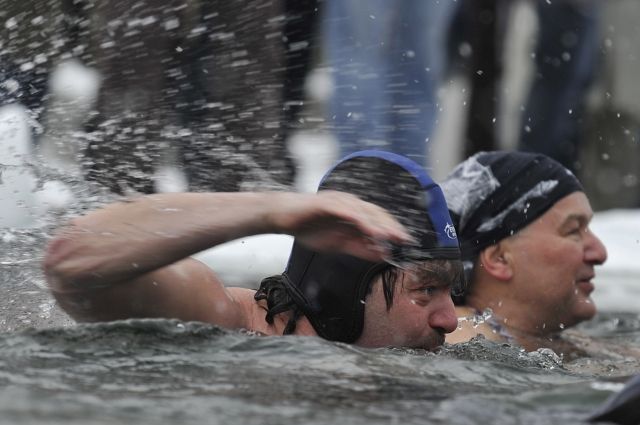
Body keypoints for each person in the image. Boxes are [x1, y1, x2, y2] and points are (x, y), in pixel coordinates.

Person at [43, 151, 464, 350]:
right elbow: (70, 260)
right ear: (344, 287)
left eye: (450, 293)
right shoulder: (221, 325)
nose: (449, 320)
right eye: (424, 290)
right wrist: (273, 211)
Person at [440, 151, 608, 356]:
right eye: (573, 230)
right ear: (499, 259)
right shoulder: (457, 340)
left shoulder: (553, 342)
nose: (599, 253)